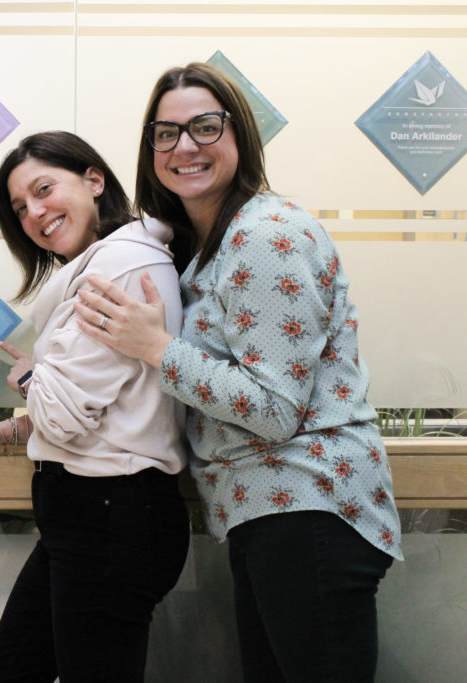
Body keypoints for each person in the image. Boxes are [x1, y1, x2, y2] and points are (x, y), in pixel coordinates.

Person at [74, 63, 402, 681]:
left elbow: (274, 410)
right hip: (272, 515)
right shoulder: (204, 246)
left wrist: (156, 347)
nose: (185, 146)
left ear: (240, 135)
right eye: (166, 133)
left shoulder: (264, 235)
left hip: (307, 508)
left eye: (205, 126)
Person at [0, 131, 190, 682]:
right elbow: (108, 404)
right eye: (19, 208)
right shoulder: (101, 266)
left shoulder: (117, 268)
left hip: (111, 516)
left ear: (94, 180)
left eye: (44, 189)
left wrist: (30, 377)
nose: (34, 213)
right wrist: (10, 430)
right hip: (89, 516)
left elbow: (65, 416)